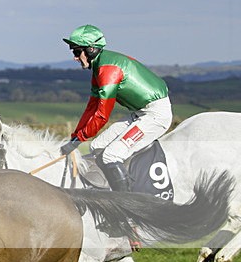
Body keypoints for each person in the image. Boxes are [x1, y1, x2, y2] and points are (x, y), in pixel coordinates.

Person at [60, 25, 172, 192]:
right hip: (140, 113)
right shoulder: (99, 67)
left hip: (156, 114)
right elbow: (91, 107)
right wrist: (75, 137)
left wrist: (78, 140)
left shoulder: (108, 70)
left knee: (111, 155)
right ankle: (115, 188)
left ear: (91, 50)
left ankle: (127, 207)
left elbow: (101, 115)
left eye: (77, 52)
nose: (75, 58)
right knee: (97, 146)